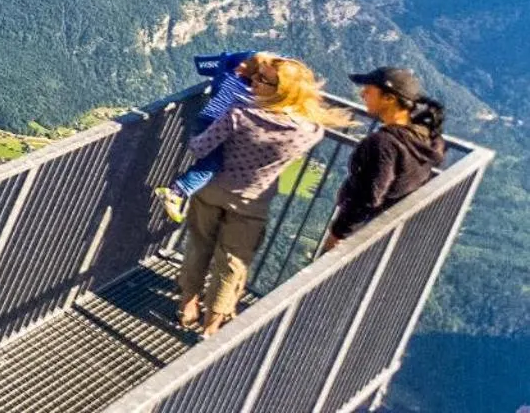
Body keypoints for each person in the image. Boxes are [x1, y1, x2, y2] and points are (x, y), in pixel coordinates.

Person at [176, 57, 349, 336]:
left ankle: (188, 306)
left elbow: (199, 147)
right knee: (231, 263)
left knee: (199, 246)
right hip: (252, 201)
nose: (253, 82)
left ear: (280, 90)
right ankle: (211, 328)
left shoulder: (239, 115)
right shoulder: (308, 132)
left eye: (261, 79)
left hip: (211, 190)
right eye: (256, 76)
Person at [321, 67, 447, 252]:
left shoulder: (383, 144)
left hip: (359, 234)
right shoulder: (425, 138)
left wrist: (337, 234)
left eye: (369, 90)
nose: (362, 94)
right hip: (384, 232)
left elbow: (368, 197)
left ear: (389, 99)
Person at [157, 51, 268, 223]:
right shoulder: (248, 93)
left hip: (203, 120)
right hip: (214, 126)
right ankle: (176, 192)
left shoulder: (229, 76)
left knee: (211, 161)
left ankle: (184, 193)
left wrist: (226, 59)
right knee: (212, 164)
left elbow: (213, 68)